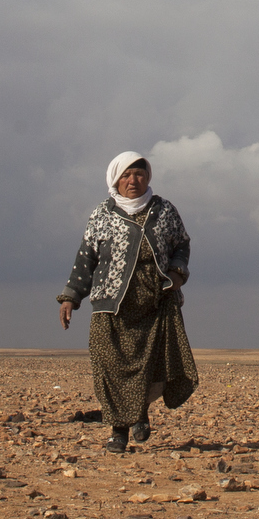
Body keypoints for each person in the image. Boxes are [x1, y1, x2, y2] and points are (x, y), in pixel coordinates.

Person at [56, 151, 196, 454]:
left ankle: (137, 415)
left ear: (148, 177)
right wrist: (70, 297)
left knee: (150, 365)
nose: (133, 181)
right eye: (126, 175)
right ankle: (117, 430)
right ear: (115, 179)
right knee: (110, 367)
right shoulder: (102, 214)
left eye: (140, 174)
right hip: (111, 304)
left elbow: (181, 244)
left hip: (155, 301)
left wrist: (176, 274)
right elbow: (86, 259)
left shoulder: (164, 211)